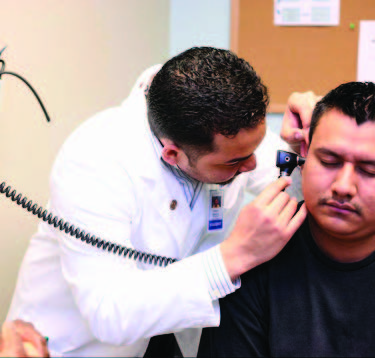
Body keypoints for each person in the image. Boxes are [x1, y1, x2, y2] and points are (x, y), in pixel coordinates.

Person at [7, 47, 315, 357]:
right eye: (235, 162)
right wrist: (233, 255)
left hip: (157, 334)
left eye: (256, 150)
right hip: (68, 346)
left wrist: (302, 149)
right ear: (172, 154)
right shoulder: (95, 161)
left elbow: (296, 193)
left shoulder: (222, 127)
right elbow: (110, 315)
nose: (252, 165)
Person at [198, 81, 375, 357]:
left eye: (369, 170)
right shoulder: (257, 254)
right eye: (329, 161)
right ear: (303, 155)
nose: (343, 185)